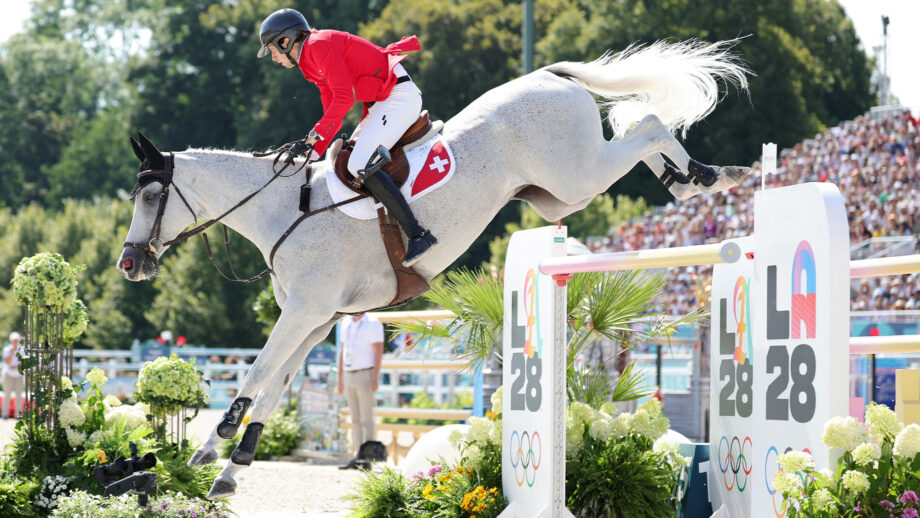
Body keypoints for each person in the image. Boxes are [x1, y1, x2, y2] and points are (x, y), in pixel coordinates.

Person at [256, 8, 438, 267]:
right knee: (344, 160)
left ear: (285, 42)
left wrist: (312, 137)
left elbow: (344, 99)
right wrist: (313, 150)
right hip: (382, 102)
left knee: (358, 163)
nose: (273, 58)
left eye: (272, 50)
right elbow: (332, 105)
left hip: (397, 97)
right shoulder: (308, 61)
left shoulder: (318, 46)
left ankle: (418, 234)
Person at [336, 312, 384, 469]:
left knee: (367, 419)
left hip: (365, 373)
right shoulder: (346, 322)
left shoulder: (373, 322)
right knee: (355, 419)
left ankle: (369, 457)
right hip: (349, 373)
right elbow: (342, 350)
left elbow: (378, 350)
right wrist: (340, 378)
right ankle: (357, 455)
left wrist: (375, 378)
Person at [2, 332, 25, 419]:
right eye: (14, 341)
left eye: (17, 340)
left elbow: (23, 362)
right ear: (11, 341)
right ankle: (5, 414)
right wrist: (12, 352)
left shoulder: (21, 350)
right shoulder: (7, 349)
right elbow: (7, 362)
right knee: (7, 395)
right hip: (8, 375)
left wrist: (17, 366)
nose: (15, 342)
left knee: (19, 396)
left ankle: (18, 415)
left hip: (18, 375)